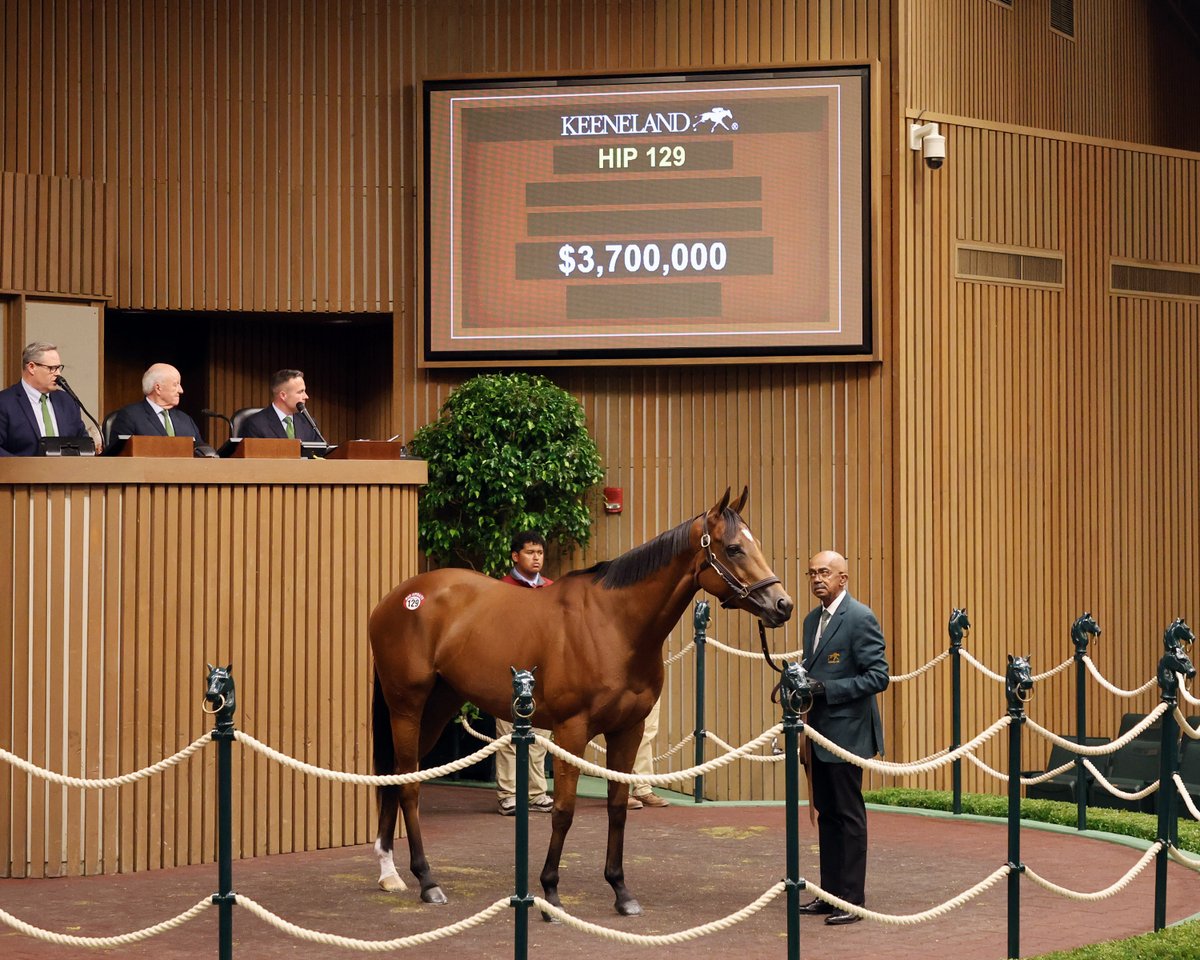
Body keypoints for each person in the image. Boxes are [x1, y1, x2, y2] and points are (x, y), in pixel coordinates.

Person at [796, 549, 889, 926]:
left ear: (843, 579)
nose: (818, 579)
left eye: (825, 573)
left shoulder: (860, 618)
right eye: (812, 573)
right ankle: (829, 894)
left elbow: (878, 677)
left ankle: (851, 900)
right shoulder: (810, 620)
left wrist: (824, 689)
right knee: (828, 815)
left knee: (849, 816)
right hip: (818, 732)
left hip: (847, 734)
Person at [494, 530, 555, 816]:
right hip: (510, 672)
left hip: (543, 674)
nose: (536, 558)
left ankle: (536, 792)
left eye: (540, 553)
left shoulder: (552, 588)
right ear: (515, 556)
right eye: (530, 552)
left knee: (540, 737)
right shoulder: (502, 589)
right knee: (507, 735)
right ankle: (508, 794)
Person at [0, 341, 89, 456]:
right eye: (52, 368)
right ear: (31, 367)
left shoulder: (67, 401)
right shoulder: (4, 403)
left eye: (59, 368)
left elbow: (82, 441)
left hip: (66, 472)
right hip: (22, 472)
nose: (58, 374)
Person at [109, 363, 205, 444]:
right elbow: (119, 457)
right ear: (158, 388)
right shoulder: (129, 416)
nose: (181, 390)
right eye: (175, 385)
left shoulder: (186, 420)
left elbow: (201, 452)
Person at [239, 369, 320, 441]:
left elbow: (320, 454)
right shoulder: (255, 424)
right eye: (300, 392)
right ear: (283, 395)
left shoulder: (308, 423)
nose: (306, 396)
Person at [625, 698, 670, 809]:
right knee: (620, 730)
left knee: (647, 731)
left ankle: (643, 789)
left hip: (651, 682)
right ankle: (620, 791)